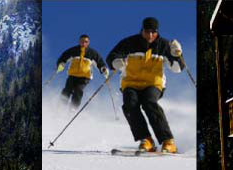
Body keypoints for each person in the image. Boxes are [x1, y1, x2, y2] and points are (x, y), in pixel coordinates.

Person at [106, 17, 185, 153]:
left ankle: (168, 141)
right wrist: (116, 62)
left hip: (153, 83)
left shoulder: (164, 45)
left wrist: (177, 54)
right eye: (147, 32)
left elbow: (177, 69)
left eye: (153, 32)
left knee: (149, 102)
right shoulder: (129, 42)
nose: (150, 35)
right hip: (131, 82)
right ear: (142, 30)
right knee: (130, 104)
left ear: (157, 32)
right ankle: (146, 140)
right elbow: (111, 56)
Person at [57, 34, 108, 112]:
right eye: (82, 41)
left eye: (86, 42)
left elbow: (99, 62)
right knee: (67, 89)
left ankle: (73, 108)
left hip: (84, 77)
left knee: (78, 90)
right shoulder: (73, 50)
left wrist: (103, 69)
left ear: (88, 43)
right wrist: (61, 64)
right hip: (72, 75)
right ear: (79, 41)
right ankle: (61, 106)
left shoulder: (92, 53)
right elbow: (64, 57)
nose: (84, 43)